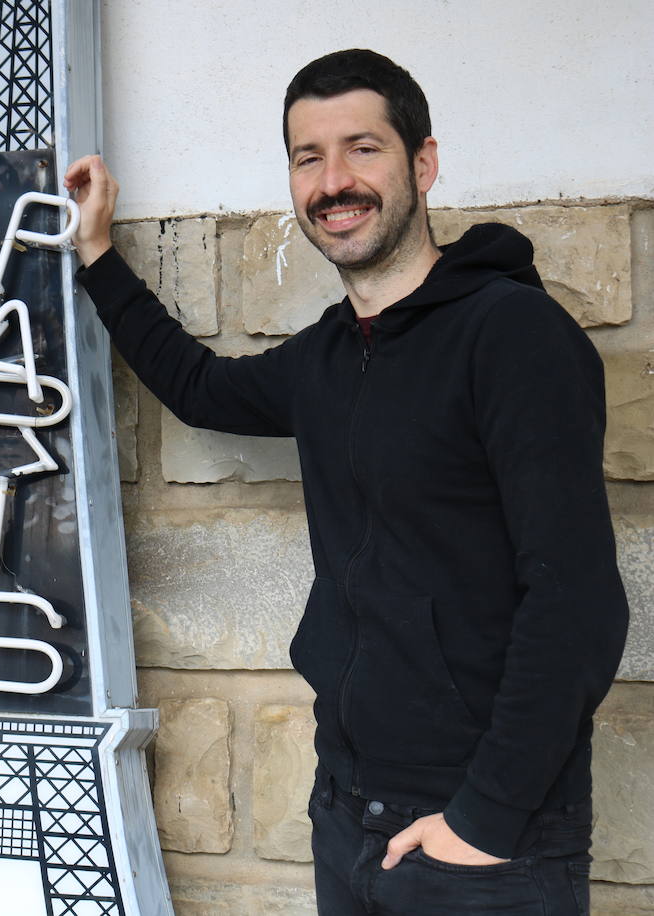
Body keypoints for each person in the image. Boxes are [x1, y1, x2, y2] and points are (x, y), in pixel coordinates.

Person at [65, 49, 627, 914]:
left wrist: (483, 820)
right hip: (350, 812)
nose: (334, 182)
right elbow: (201, 389)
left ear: (424, 163)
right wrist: (98, 251)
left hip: (484, 840)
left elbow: (577, 603)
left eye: (363, 148)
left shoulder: (514, 337)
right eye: (307, 157)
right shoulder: (331, 354)